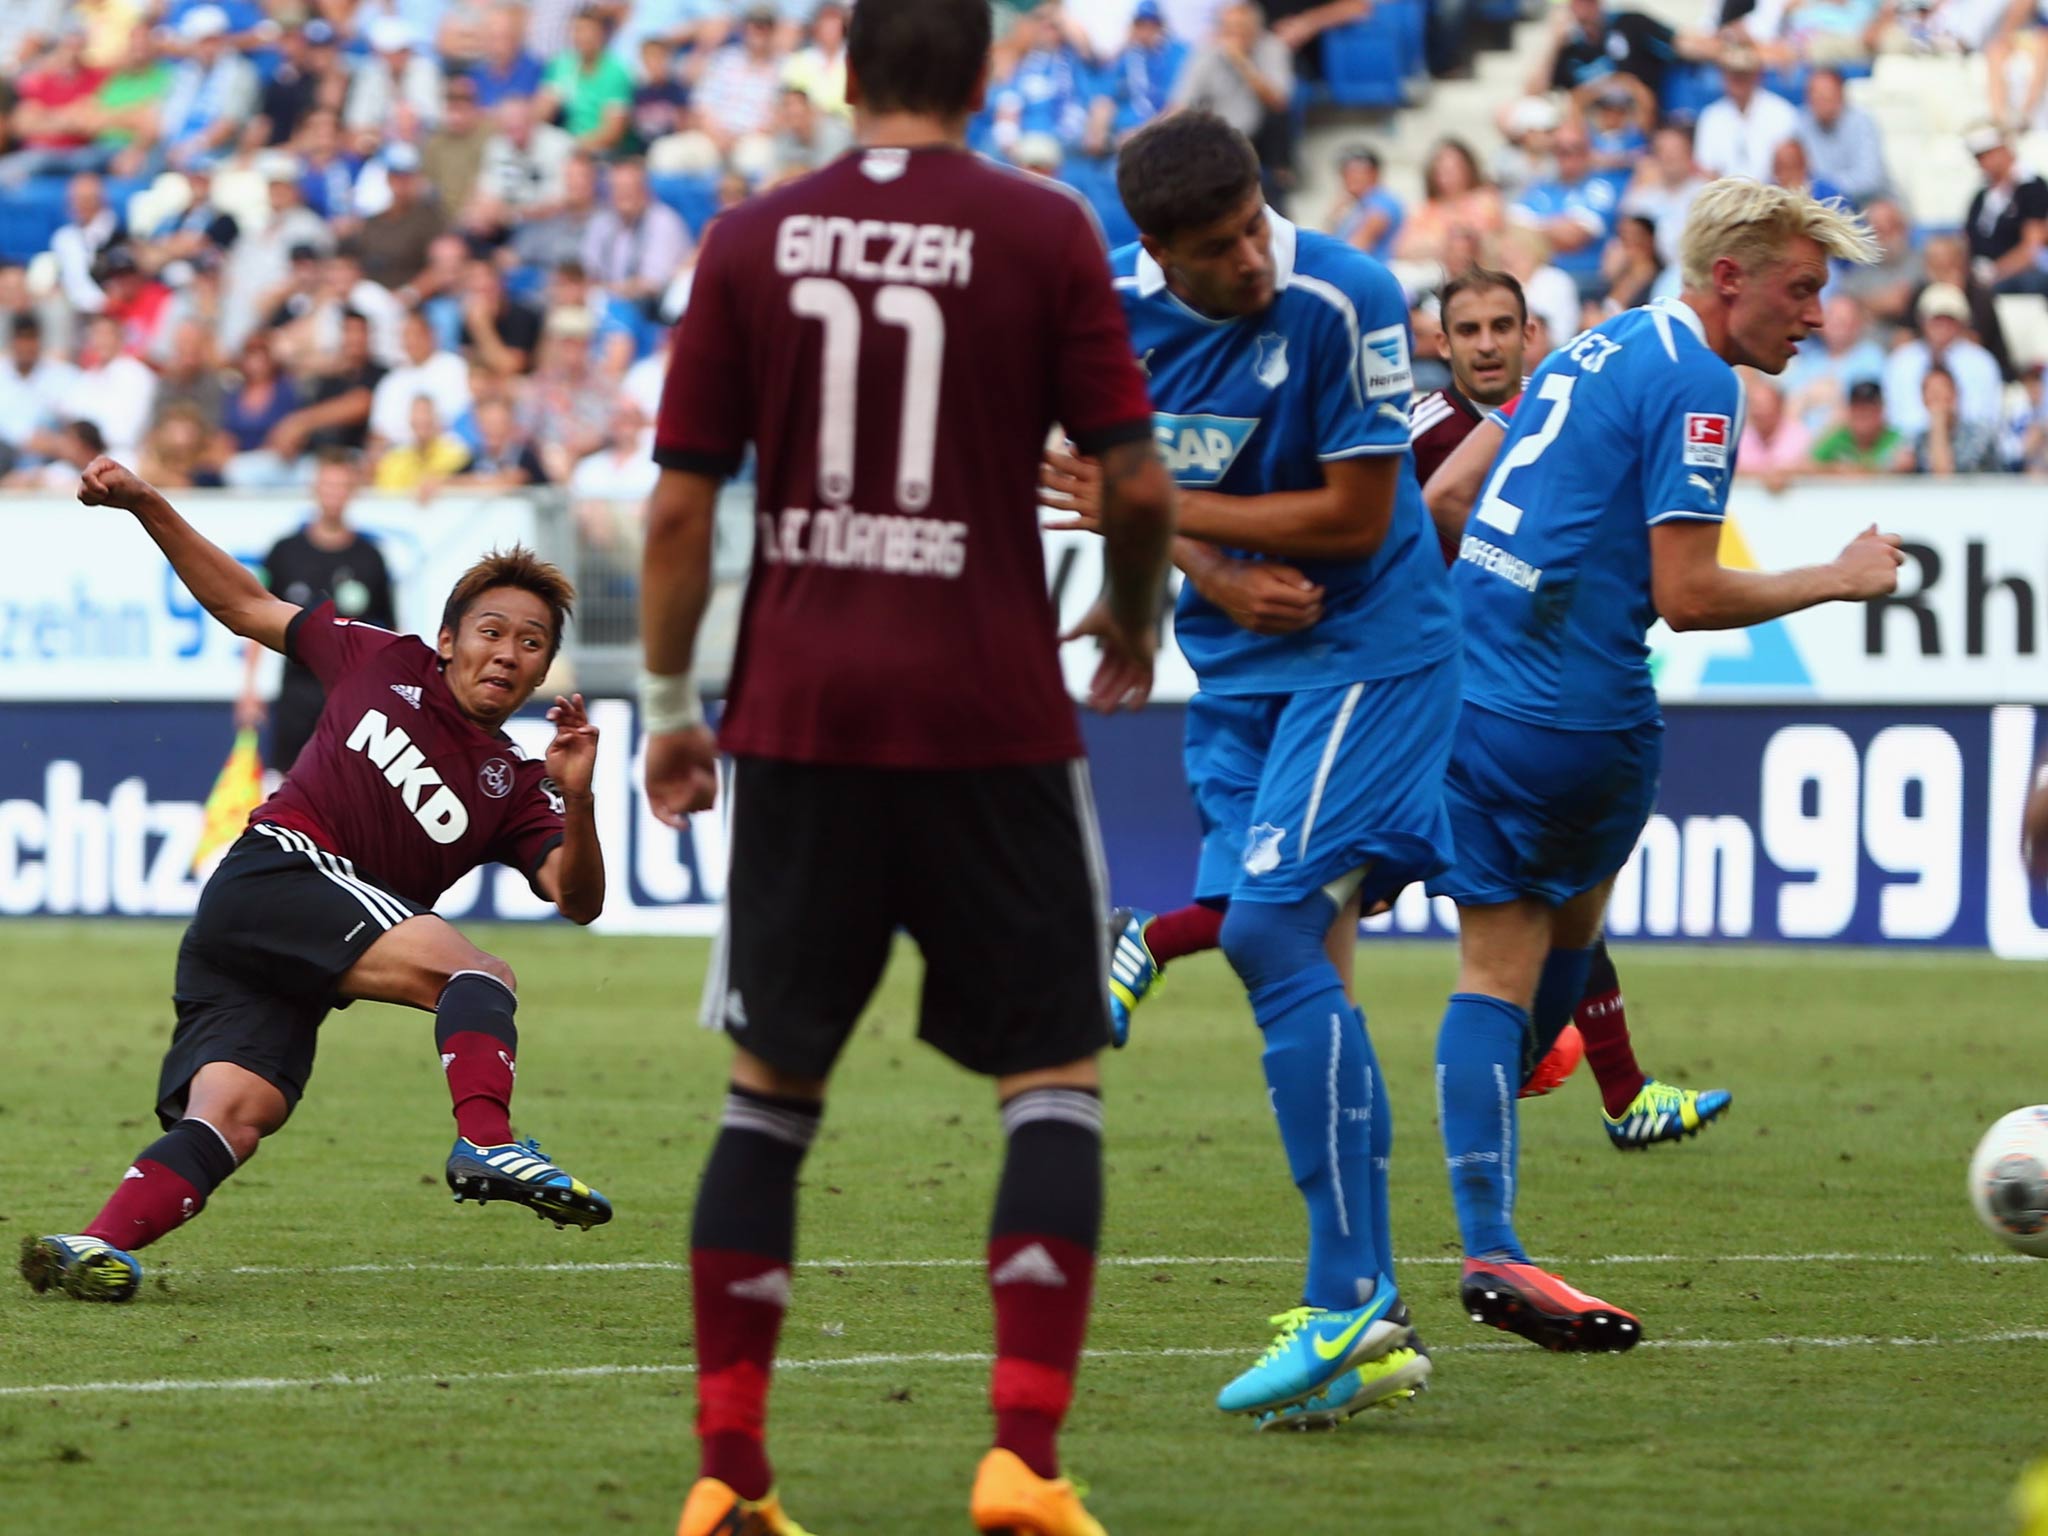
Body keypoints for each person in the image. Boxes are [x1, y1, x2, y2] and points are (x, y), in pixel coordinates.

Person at [639, 0, 1173, 1528]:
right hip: (992, 714)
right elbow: (1132, 482)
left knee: (766, 1099)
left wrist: (675, 701)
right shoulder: (1043, 228)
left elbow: (680, 511)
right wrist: (1130, 621)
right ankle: (1022, 1458)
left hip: (799, 718)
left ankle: (729, 1479)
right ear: (986, 75)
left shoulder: (750, 236)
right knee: (1052, 1083)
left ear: (850, 74)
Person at [1424, 180, 1899, 1353]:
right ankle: (1532, 1075)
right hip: (1579, 719)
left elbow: (1443, 499)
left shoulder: (1601, 335)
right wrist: (1834, 575)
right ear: (1729, 278)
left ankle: (1492, 1224)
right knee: (1540, 956)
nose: (1814, 317)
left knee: (1492, 964)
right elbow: (1685, 596)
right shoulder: (1697, 380)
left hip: (1467, 692)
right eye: (1799, 290)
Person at [1061, 109, 1447, 1433]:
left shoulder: (1350, 294)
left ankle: (1351, 1294)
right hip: (1238, 670)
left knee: (1275, 924)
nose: (1252, 263)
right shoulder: (1108, 317)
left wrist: (1154, 506)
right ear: (1158, 249)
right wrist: (1204, 566)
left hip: (1370, 653)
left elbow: (1354, 513)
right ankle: (1364, 1320)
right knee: (1287, 956)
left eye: (1254, 226)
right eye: (1219, 251)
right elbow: (1111, 484)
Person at [23, 456, 612, 1307]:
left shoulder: (515, 783)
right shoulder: (381, 660)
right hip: (280, 873)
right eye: (491, 630)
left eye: (532, 643)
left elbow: (579, 899)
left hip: (285, 950)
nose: (508, 652)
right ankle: (487, 1139)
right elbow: (242, 605)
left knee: (234, 1117)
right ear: (448, 639)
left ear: (544, 667)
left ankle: (93, 1243)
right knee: (479, 975)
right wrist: (147, 501)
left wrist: (581, 799)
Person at [1413, 271, 1734, 1141]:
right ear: (1439, 343)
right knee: (1331, 888)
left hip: (1490, 687)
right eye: (1469, 328)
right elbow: (1423, 512)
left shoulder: (1549, 399)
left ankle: (1619, 1091)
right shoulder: (1440, 429)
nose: (1487, 343)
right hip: (1454, 685)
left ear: (1530, 334)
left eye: (1503, 326)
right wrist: (1483, 609)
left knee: (1563, 895)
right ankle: (1157, 936)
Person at [237, 452, 397, 773]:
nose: (334, 494)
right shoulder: (285, 552)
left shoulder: (371, 558)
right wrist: (249, 690)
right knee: (289, 776)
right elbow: (257, 619)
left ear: (352, 492)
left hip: (351, 690)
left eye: (341, 486)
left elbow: (391, 633)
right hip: (298, 687)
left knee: (351, 779)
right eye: (327, 485)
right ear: (314, 489)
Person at [1693, 43, 1799, 183]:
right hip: (1725, 198)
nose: (1737, 80)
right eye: (1732, 73)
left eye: (1744, 74)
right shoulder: (1711, 116)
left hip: (1772, 196)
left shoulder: (1782, 112)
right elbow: (1706, 170)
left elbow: (1790, 168)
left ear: (1757, 75)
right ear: (1723, 75)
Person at [1963, 124, 2048, 297]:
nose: (1984, 161)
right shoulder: (1981, 195)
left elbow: (2032, 248)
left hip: (2016, 275)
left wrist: (1994, 272)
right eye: (1979, 157)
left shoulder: (2031, 188)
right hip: (1982, 273)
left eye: (1988, 153)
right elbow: (1967, 239)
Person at [1797, 66, 1888, 207]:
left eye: (1826, 94)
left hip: (1863, 203)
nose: (1820, 100)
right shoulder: (1800, 122)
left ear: (1841, 95)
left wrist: (1825, 187)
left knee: (1881, 213)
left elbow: (1870, 179)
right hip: (1816, 205)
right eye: (1815, 94)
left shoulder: (1861, 121)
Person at [1809, 377, 1907, 473]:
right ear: (1849, 410)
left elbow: (1905, 464)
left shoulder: (1896, 439)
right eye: (1857, 407)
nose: (1863, 413)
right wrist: (1836, 469)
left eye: (1869, 408)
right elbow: (1804, 465)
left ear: (1881, 410)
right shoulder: (1838, 436)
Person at [1325, 144, 1403, 261]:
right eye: (1346, 171)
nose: (1351, 176)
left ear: (1374, 173)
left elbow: (1353, 250)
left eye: (1358, 171)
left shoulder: (1381, 203)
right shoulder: (1356, 205)